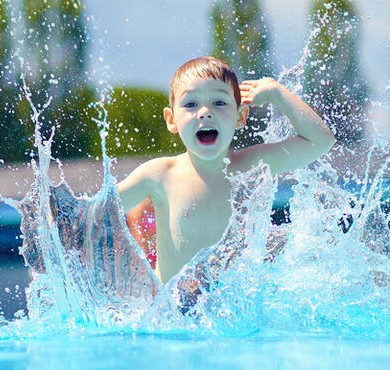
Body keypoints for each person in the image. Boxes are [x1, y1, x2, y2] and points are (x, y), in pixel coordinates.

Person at [118, 56, 336, 285]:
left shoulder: (251, 166)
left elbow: (321, 141)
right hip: (173, 313)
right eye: (190, 104)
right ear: (171, 119)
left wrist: (276, 93)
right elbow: (99, 211)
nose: (204, 112)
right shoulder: (160, 174)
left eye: (219, 103)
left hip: (229, 311)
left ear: (240, 116)